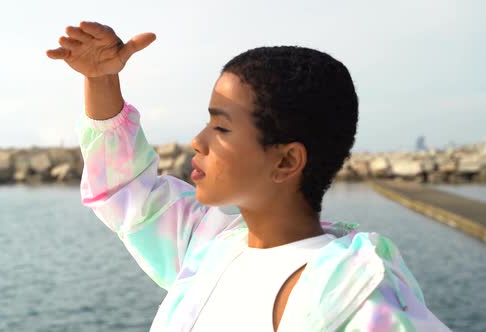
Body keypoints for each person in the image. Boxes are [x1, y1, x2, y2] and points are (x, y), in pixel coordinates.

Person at [46, 21, 451, 332]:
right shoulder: (211, 245)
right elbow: (130, 192)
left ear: (287, 161)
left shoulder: (353, 294)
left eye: (221, 128)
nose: (196, 142)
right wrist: (101, 80)